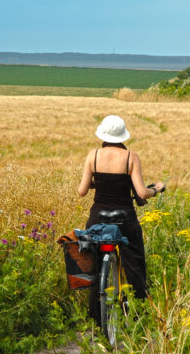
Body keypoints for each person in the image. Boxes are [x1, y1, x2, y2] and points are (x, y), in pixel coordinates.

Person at [77, 115, 165, 326]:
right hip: (125, 219)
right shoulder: (130, 157)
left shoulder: (94, 155)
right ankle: (136, 315)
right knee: (134, 264)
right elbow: (142, 193)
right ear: (122, 136)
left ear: (103, 134)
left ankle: (96, 321)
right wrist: (157, 189)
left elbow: (81, 191)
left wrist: (94, 183)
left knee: (95, 268)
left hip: (98, 217)